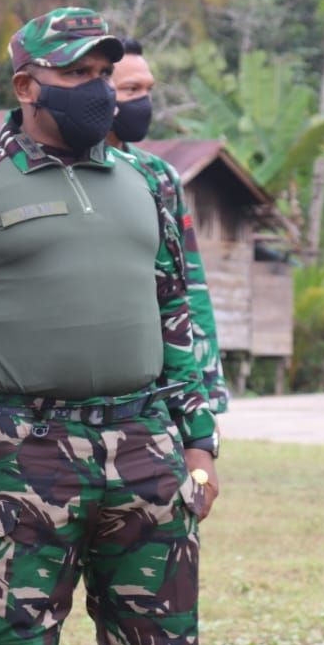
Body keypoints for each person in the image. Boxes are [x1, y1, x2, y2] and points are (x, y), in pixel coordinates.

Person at [0, 7, 220, 645]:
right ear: (25, 86)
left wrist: (198, 439)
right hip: (21, 451)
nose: (98, 90)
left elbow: (175, 309)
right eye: (76, 73)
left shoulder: (150, 181)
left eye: (104, 74)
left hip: (146, 447)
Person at [107, 38, 230, 414]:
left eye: (148, 90)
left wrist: (206, 391)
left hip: (154, 383)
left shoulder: (158, 176)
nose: (143, 102)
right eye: (131, 90)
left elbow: (189, 284)